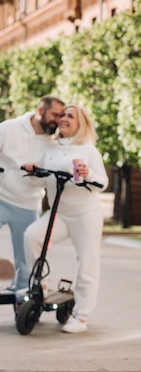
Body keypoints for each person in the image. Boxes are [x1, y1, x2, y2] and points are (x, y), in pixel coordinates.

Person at [23, 104, 108, 334]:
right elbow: (41, 180)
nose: (63, 119)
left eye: (70, 116)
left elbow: (102, 182)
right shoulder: (51, 147)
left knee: (88, 263)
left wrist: (87, 173)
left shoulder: (89, 149)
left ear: (81, 123)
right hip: (59, 213)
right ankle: (40, 288)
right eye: (62, 115)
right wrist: (34, 171)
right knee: (31, 236)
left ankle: (81, 317)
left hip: (85, 214)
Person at [0, 95, 65, 294]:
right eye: (55, 114)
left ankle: (23, 306)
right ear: (40, 111)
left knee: (25, 262)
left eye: (61, 116)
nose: (58, 120)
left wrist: (38, 172)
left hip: (28, 204)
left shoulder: (54, 144)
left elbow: (50, 178)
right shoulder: (9, 128)